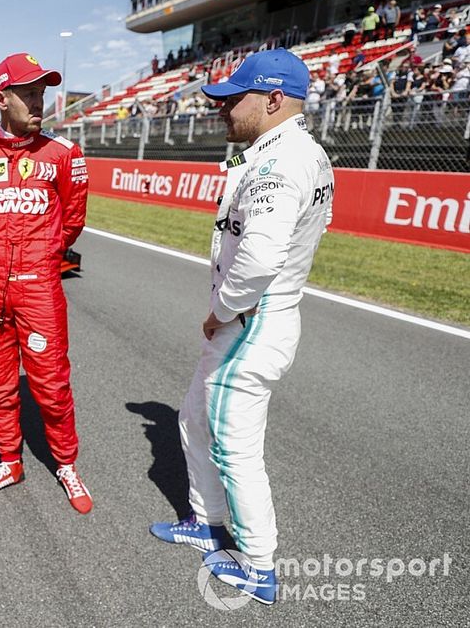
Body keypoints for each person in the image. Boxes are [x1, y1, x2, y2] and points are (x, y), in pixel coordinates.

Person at [148, 49, 334, 605]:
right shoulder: (292, 153)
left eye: (236, 98)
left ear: (274, 99)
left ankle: (258, 563)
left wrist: (219, 312)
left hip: (253, 322)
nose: (223, 108)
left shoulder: (284, 162)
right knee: (194, 419)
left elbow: (258, 258)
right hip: (255, 318)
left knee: (234, 445)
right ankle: (206, 521)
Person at [0, 52, 92, 514]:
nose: (40, 102)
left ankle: (66, 464)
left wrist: (37, 260)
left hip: (39, 288)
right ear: (2, 98)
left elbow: (71, 223)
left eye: (42, 92)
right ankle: (9, 461)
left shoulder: (64, 154)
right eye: (29, 93)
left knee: (52, 386)